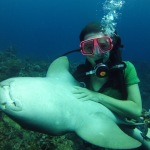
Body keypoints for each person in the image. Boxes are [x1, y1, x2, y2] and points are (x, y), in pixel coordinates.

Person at [72, 22, 150, 149]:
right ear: (83, 51)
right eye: (89, 47)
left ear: (111, 45)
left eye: (103, 45)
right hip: (96, 131)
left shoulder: (126, 69)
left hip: (128, 128)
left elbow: (136, 110)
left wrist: (97, 96)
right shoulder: (80, 75)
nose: (97, 52)